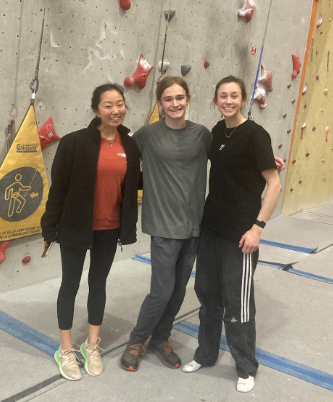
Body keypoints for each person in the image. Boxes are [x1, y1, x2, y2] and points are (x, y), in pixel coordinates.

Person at [182, 76, 282, 393]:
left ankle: (245, 366)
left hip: (241, 235)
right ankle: (207, 354)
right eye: (222, 95)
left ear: (243, 100)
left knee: (237, 303)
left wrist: (257, 228)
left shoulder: (255, 134)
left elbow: (274, 184)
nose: (228, 100)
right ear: (215, 100)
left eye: (234, 95)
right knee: (208, 296)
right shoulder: (216, 132)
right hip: (211, 230)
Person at [41, 84, 141, 381]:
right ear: (96, 109)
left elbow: (137, 182)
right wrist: (49, 226)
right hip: (76, 225)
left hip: (110, 228)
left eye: (120, 104)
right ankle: (66, 348)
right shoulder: (74, 142)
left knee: (98, 283)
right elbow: (58, 187)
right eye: (108, 105)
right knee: (70, 284)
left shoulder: (130, 145)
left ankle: (92, 344)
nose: (115, 110)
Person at [120, 76, 213, 372]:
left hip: (194, 225)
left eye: (180, 98)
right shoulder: (147, 134)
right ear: (160, 103)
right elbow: (119, 159)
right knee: (161, 290)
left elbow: (230, 159)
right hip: (162, 225)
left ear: (188, 100)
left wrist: (263, 160)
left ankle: (161, 337)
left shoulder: (202, 135)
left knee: (178, 291)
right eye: (169, 99)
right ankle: (137, 340)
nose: (175, 104)